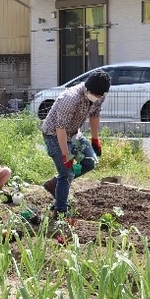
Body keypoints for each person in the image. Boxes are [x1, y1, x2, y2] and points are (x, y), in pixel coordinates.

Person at [41, 70, 111, 220]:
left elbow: (94, 115)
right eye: (95, 94)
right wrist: (66, 154)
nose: (97, 98)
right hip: (54, 135)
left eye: (100, 95)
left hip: (74, 134)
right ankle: (60, 211)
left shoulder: (99, 95)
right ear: (87, 87)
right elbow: (60, 128)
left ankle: (55, 184)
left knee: (90, 162)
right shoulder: (70, 98)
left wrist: (95, 139)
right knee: (67, 172)